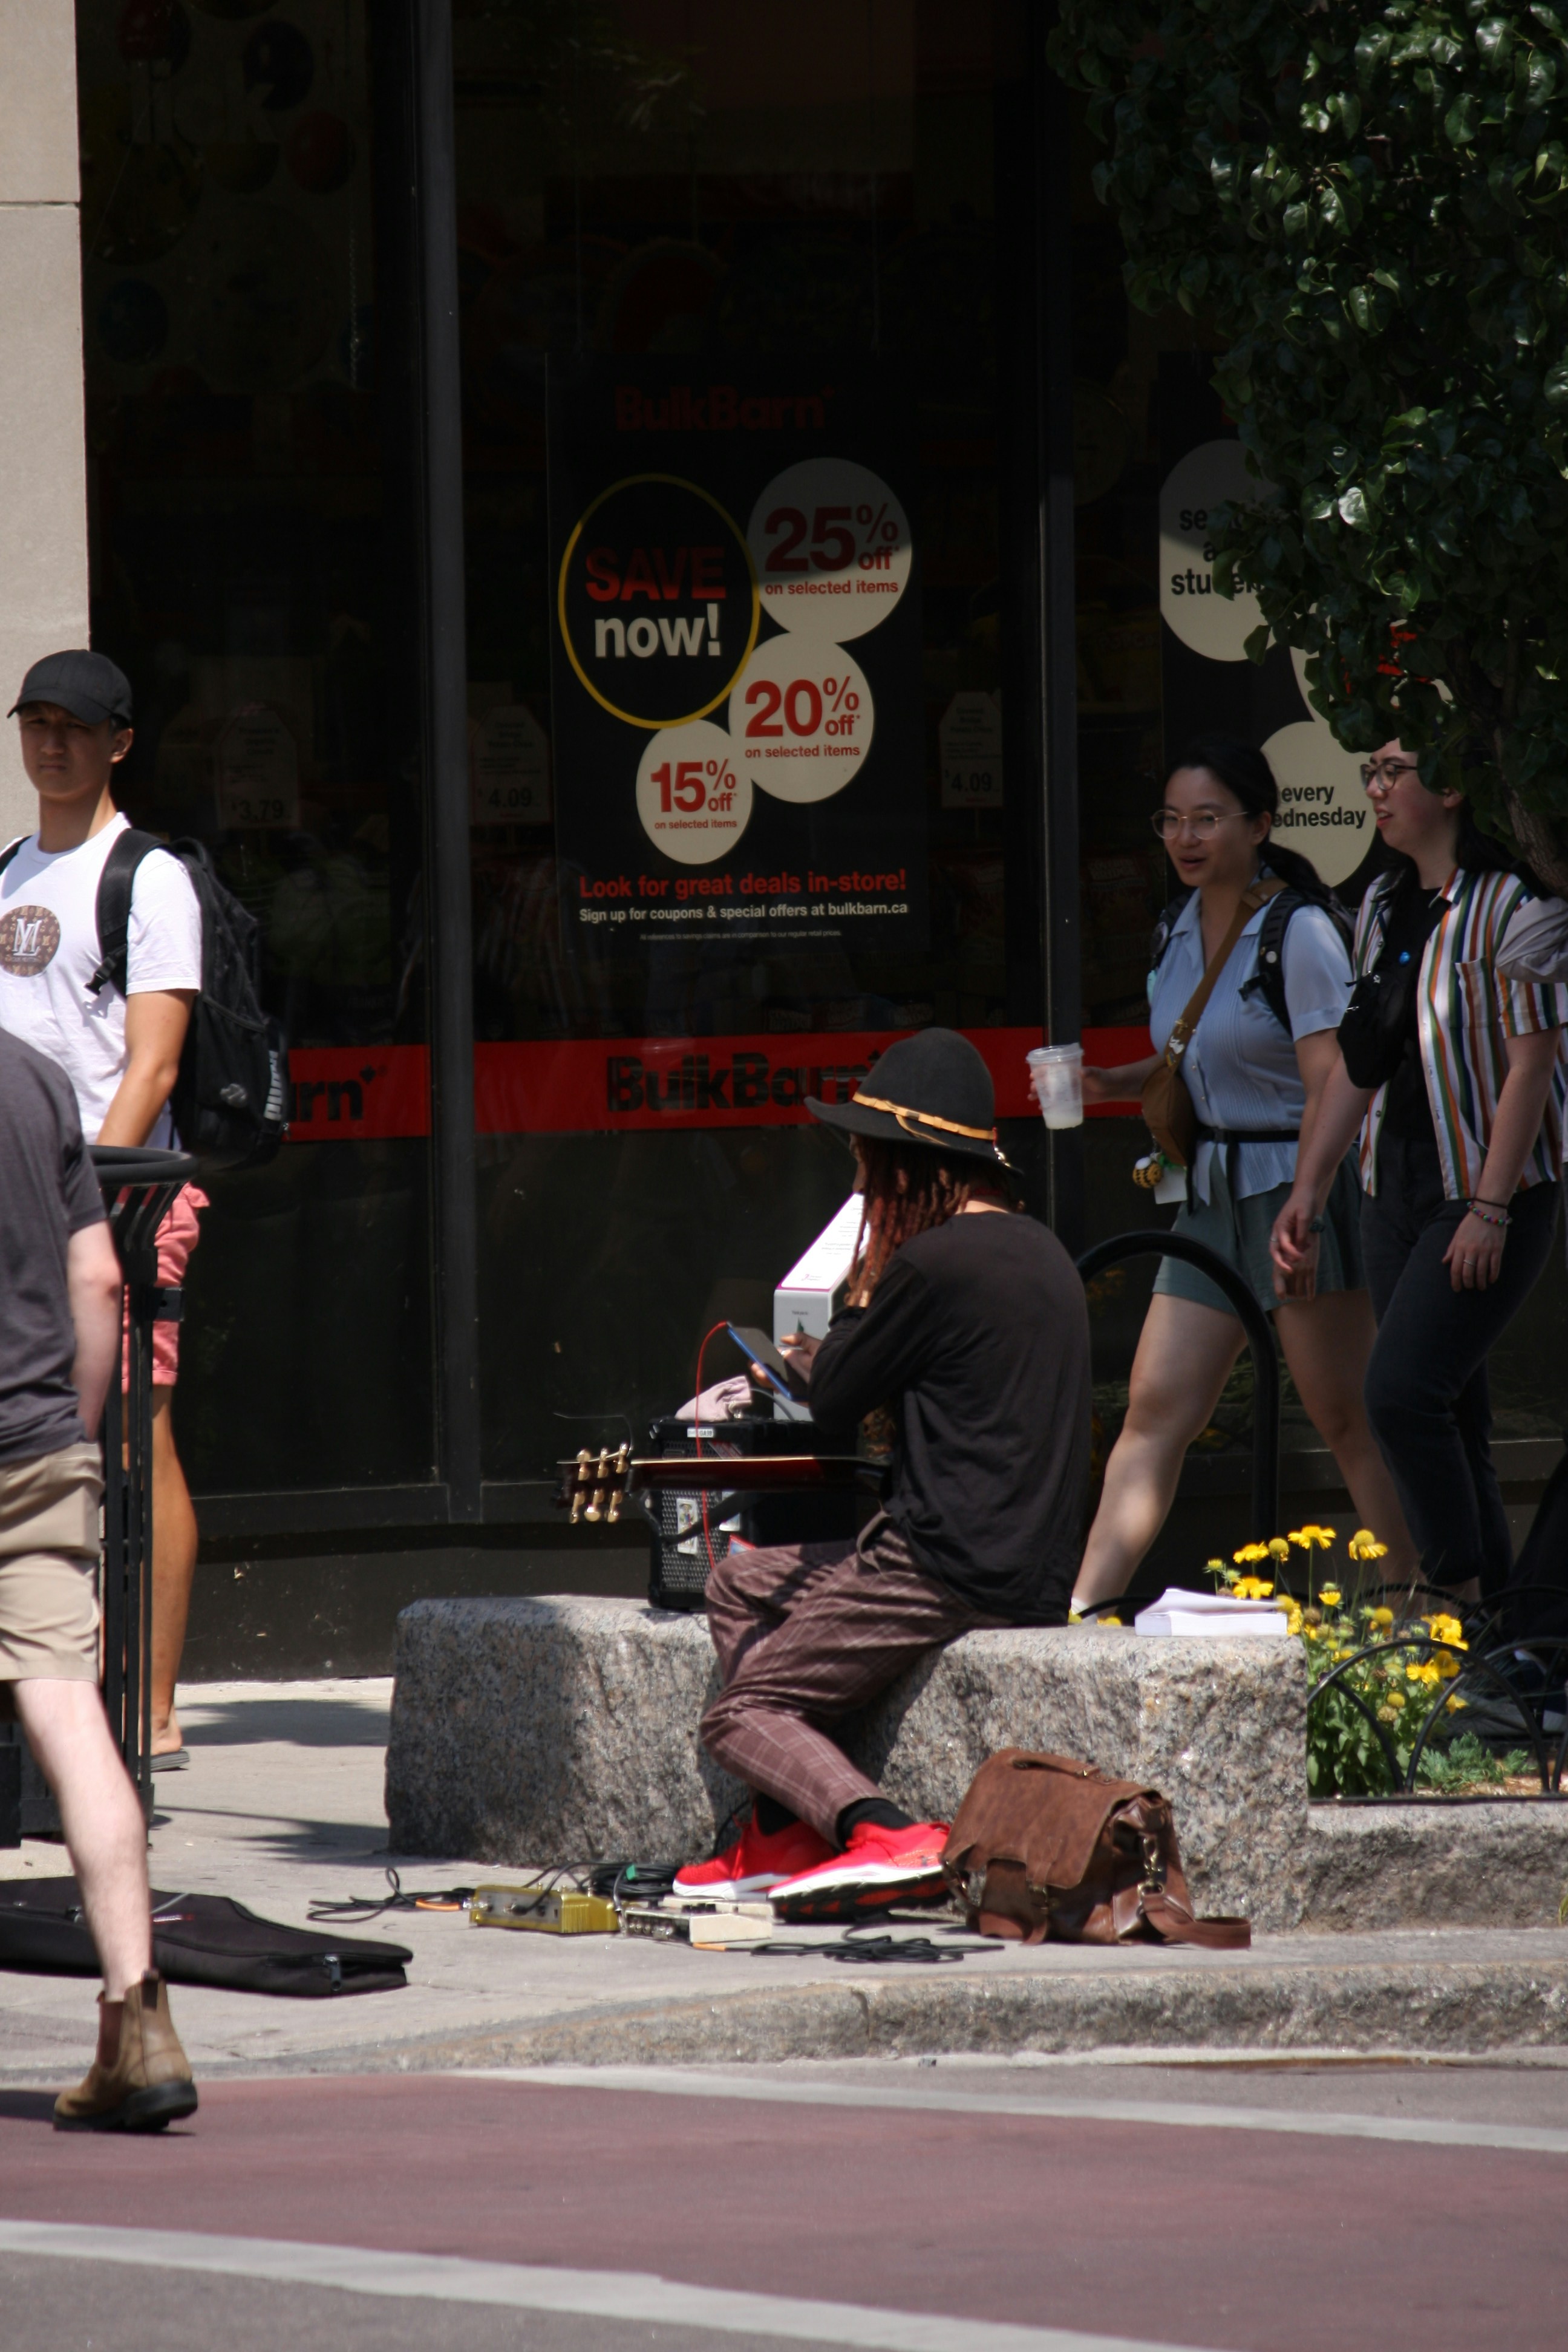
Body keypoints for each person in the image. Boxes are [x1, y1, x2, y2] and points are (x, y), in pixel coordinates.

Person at [673, 1028, 1092, 1907]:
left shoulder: (933, 1263)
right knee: (738, 1587)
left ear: (912, 1166)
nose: (859, 1186)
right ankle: (782, 1829)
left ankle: (884, 1829)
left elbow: (837, 1397)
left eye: (869, 1164)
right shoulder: (1045, 1253)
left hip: (942, 1565)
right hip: (1027, 1567)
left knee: (740, 1712)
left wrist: (865, 1280)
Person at [1073, 739, 1417, 1611]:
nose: (1185, 838)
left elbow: (1330, 1084)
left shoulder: (1297, 930)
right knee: (1154, 1414)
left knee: (1346, 1420)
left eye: (1207, 819)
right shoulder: (1175, 925)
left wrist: (1304, 1199)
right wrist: (1110, 1084)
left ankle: (1428, 1614)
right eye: (1171, 820)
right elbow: (1193, 1062)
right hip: (1206, 1193)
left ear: (1260, 824)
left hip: (1296, 1188)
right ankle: (1082, 1617)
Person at [1272, 743, 1566, 1599]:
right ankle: (1502, 1644)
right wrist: (1309, 1188)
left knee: (1399, 1395)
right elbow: (1361, 1062)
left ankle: (1452, 1595)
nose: (1375, 788)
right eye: (1370, 770)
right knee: (1453, 1413)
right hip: (1387, 1184)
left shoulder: (1517, 905)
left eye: (1394, 771)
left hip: (1483, 1186)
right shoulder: (1382, 903)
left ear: (1452, 784)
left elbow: (1533, 1067)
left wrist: (1489, 1206)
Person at [1, 651, 204, 1765]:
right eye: (35, 722)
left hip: (116, 1204)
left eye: (74, 726)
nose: (51, 743)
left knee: (139, 1442)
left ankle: (155, 1709)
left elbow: (154, 1066)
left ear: (119, 742)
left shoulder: (147, 877)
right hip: (15, 1206)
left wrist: (85, 1199)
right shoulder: (8, 873)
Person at [0, 1023, 197, 2129]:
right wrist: (70, 1437)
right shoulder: (31, 1078)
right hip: (33, 1446)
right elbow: (96, 1275)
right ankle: (140, 2020)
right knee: (75, 1723)